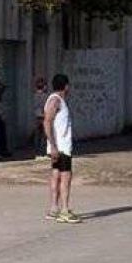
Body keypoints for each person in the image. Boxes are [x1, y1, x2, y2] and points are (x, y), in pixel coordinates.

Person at [43, 73, 80, 224]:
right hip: (62, 147)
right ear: (66, 86)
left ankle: (54, 208)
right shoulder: (55, 101)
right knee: (65, 177)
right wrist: (53, 146)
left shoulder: (56, 100)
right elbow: (47, 122)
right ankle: (64, 209)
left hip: (59, 147)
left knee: (56, 175)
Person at [31, 76, 49, 158]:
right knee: (43, 136)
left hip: (37, 116)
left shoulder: (34, 95)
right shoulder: (45, 96)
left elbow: (35, 106)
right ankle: (42, 152)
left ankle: (37, 152)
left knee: (38, 136)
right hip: (43, 117)